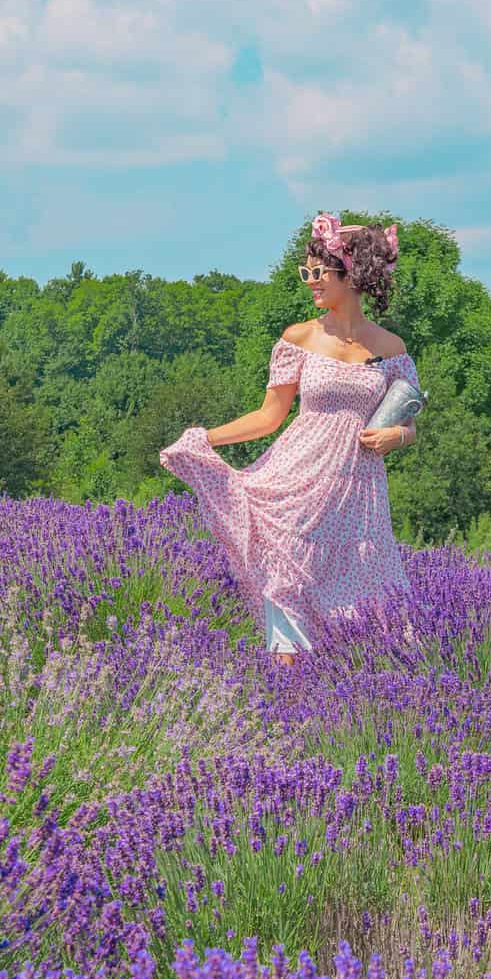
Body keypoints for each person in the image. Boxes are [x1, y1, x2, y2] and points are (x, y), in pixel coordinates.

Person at [159, 213, 421, 666]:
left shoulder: (391, 348)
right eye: (307, 272)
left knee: (367, 610)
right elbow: (269, 416)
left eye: (318, 272)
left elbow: (411, 420)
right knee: (286, 592)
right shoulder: (299, 337)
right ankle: (287, 701)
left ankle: (352, 705)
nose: (310, 282)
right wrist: (206, 438)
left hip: (356, 498)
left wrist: (398, 434)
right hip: (296, 486)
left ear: (351, 273)